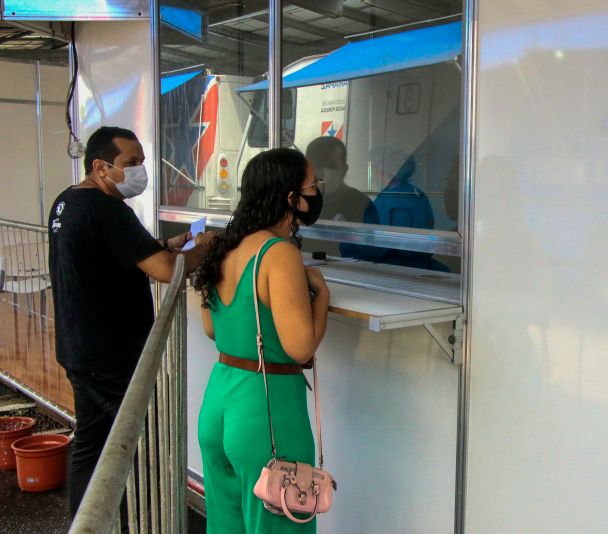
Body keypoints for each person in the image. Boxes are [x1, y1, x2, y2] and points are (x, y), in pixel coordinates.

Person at [47, 126, 212, 518]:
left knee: (92, 441)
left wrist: (166, 243)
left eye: (141, 161)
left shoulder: (67, 201)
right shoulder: (109, 210)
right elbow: (166, 272)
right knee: (138, 443)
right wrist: (202, 250)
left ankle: (85, 522)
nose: (139, 170)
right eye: (130, 163)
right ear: (101, 166)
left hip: (78, 346)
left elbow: (111, 255)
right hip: (111, 354)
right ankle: (135, 520)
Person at [193, 148, 329, 533]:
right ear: (290, 198)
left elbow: (212, 329)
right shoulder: (278, 253)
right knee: (282, 522)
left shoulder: (223, 247)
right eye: (312, 185)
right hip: (267, 411)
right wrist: (323, 300)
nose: (317, 191)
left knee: (227, 523)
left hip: (219, 402)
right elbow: (300, 348)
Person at [303, 136, 380, 259]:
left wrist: (348, 236)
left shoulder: (361, 204)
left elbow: (372, 253)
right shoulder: (296, 202)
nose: (323, 171)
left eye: (331, 165)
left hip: (345, 275)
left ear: (344, 170)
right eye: (317, 164)